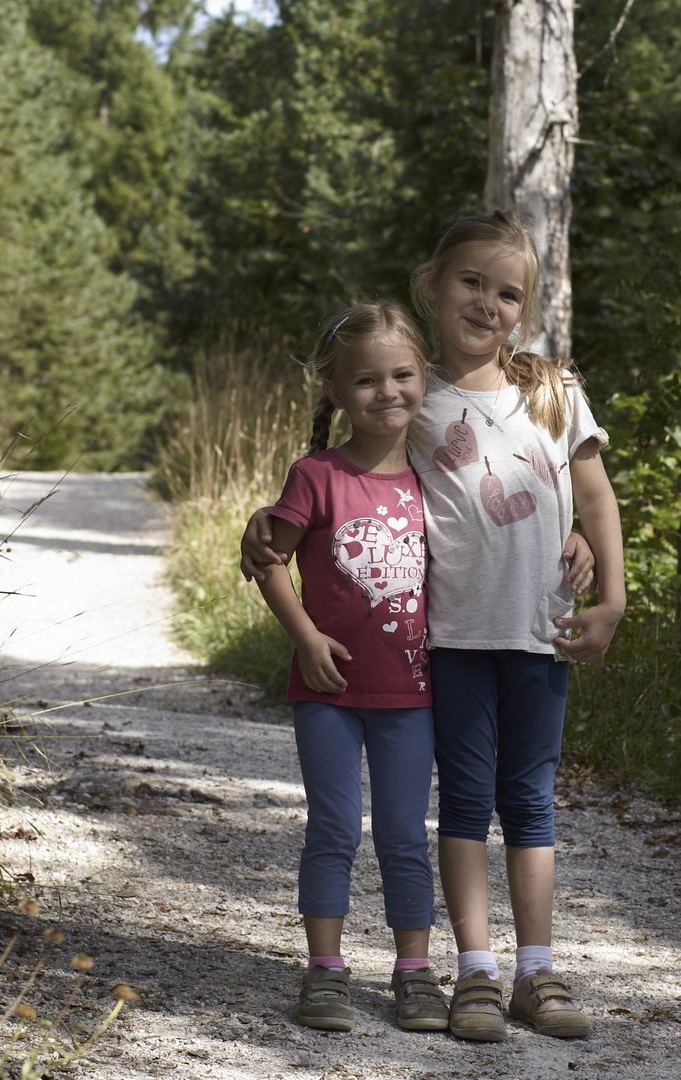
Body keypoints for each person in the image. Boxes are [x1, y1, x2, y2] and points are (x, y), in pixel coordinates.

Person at [244, 211, 627, 1043]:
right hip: (446, 643)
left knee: (530, 802)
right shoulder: (414, 397)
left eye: (506, 293)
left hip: (540, 633)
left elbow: (590, 494)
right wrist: (264, 528)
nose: (486, 303)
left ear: (523, 310)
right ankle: (475, 973)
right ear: (431, 285)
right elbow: (342, 469)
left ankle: (536, 970)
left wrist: (611, 593)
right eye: (469, 283)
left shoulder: (552, 390)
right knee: (459, 803)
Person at [254, 301, 449, 1034]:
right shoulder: (316, 475)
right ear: (335, 390)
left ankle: (413, 971)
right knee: (332, 826)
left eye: (403, 375)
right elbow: (269, 560)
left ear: (424, 380)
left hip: (414, 694)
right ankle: (326, 971)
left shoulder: (436, 479)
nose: (387, 392)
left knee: (403, 832)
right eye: (366, 379)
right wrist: (303, 635)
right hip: (327, 693)